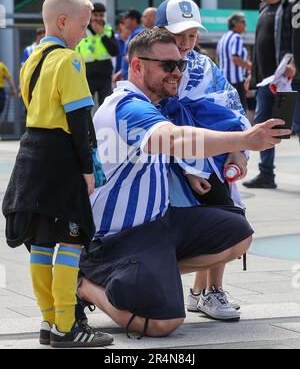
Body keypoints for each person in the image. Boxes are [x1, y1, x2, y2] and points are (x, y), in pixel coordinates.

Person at [78, 28, 289, 338]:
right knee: (164, 323)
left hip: (158, 222)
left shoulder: (152, 105)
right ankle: (85, 285)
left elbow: (177, 140)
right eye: (167, 66)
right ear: (137, 66)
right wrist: (245, 139)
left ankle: (152, 272)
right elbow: (175, 139)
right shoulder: (126, 106)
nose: (177, 72)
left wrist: (231, 152)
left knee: (238, 233)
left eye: (181, 64)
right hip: (119, 237)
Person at [2, 0, 113, 349]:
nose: (86, 33)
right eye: (83, 26)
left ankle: (49, 321)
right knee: (71, 239)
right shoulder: (70, 61)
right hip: (61, 157)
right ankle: (68, 326)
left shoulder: (31, 59)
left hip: (31, 155)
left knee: (41, 243)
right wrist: (86, 170)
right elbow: (80, 120)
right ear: (63, 22)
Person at [155, 0, 250, 321]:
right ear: (160, 30)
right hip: (168, 160)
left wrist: (238, 148)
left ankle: (208, 290)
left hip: (211, 158)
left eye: (192, 35)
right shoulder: (151, 66)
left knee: (223, 218)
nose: (185, 42)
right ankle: (195, 290)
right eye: (178, 34)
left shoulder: (205, 66)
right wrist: (185, 165)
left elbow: (231, 107)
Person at [243, 0, 300, 189]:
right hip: (267, 82)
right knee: (265, 127)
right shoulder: (263, 8)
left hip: (290, 81)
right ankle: (266, 175)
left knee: (296, 125)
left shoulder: (295, 5)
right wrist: (253, 74)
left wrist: (295, 62)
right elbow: (259, 44)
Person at [76, 2, 119, 107]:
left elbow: (115, 51)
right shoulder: (81, 30)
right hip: (87, 74)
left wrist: (102, 35)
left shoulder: (108, 30)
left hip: (104, 75)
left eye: (101, 15)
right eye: (96, 15)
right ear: (90, 15)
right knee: (84, 106)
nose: (99, 18)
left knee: (106, 105)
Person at [217, 13, 252, 110]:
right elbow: (235, 58)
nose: (245, 25)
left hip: (224, 80)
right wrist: (252, 68)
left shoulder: (223, 37)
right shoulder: (237, 37)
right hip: (236, 81)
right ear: (234, 23)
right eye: (243, 22)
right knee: (240, 111)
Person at [119, 9, 144, 80]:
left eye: (126, 17)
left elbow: (139, 54)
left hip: (134, 77)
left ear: (133, 20)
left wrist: (128, 58)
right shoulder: (133, 33)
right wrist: (120, 72)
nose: (124, 20)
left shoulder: (138, 33)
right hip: (129, 76)